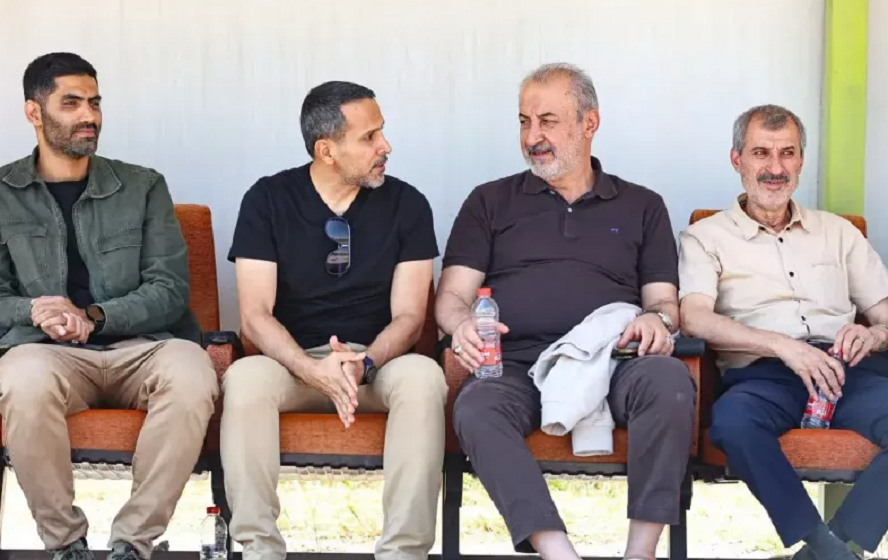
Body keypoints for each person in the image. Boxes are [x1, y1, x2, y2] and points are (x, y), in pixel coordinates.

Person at [435, 62, 695, 560]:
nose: (533, 136)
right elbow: (450, 298)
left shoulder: (642, 206)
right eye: (524, 122)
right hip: (516, 364)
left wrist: (657, 320)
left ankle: (640, 553)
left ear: (589, 123)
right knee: (476, 407)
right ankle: (558, 553)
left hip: (615, 361)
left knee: (670, 382)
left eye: (548, 121)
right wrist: (461, 324)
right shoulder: (490, 202)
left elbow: (664, 302)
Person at [0, 53, 218, 560]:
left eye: (95, 103)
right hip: (46, 352)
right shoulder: (3, 194)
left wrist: (95, 318)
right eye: (71, 103)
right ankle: (65, 543)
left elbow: (169, 289)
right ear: (34, 112)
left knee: (191, 370)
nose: (89, 116)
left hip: (141, 347)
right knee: (22, 378)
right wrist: (34, 310)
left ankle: (132, 543)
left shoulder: (142, 186)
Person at [221, 80, 447, 560]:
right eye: (370, 137)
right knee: (244, 378)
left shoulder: (408, 204)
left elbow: (411, 316)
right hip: (293, 365)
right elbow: (255, 317)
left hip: (378, 365)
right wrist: (311, 369)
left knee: (424, 377)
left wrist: (365, 363)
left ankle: (403, 554)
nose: (386, 146)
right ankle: (260, 551)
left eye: (381, 132)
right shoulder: (268, 199)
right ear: (326, 150)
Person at [678, 104, 888, 560]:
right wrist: (783, 346)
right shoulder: (705, 236)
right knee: (732, 423)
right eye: (761, 153)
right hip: (764, 375)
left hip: (846, 371)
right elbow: (694, 318)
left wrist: (874, 335)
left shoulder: (839, 233)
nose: (775, 167)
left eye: (787, 153)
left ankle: (835, 548)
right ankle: (823, 545)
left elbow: (884, 312)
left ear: (801, 160)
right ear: (737, 159)